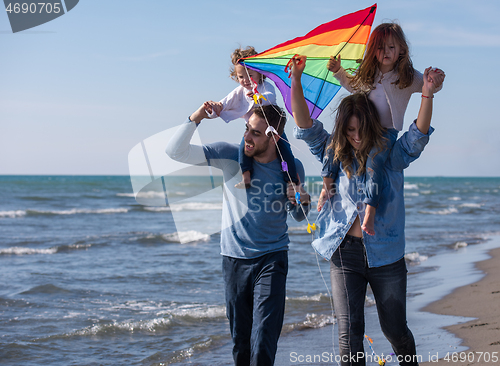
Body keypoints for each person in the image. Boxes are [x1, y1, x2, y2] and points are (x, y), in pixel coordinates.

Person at [290, 55, 444, 366]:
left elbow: (417, 136)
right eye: (349, 131)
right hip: (343, 251)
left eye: (361, 130)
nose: (357, 137)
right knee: (349, 333)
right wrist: (296, 79)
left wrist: (426, 93)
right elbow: (304, 124)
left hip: (386, 255)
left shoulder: (390, 156)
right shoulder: (331, 151)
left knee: (395, 330)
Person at [165, 103, 311, 366]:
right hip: (233, 260)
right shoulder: (230, 155)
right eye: (246, 129)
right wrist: (196, 117)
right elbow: (175, 152)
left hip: (272, 259)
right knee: (241, 344)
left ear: (273, 137)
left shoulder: (291, 167)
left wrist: (302, 201)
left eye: (255, 133)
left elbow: (299, 216)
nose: (247, 137)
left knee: (264, 338)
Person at [320, 22, 444, 236]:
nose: (385, 52)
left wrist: (435, 82)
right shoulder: (369, 73)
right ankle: (326, 187)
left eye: (391, 47)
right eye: (380, 47)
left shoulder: (407, 77)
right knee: (334, 145)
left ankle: (370, 210)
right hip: (365, 127)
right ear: (372, 50)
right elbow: (352, 85)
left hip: (386, 132)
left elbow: (427, 87)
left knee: (374, 163)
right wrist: (338, 70)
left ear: (401, 51)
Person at [204, 46, 298, 188]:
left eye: (250, 75)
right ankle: (246, 177)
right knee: (244, 149)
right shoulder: (239, 91)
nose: (246, 80)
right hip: (252, 129)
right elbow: (224, 103)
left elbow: (270, 98)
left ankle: (292, 181)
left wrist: (257, 98)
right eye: (241, 77)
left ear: (259, 73)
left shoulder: (266, 86)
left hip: (272, 127)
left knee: (285, 150)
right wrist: (215, 107)